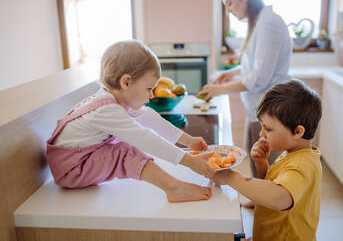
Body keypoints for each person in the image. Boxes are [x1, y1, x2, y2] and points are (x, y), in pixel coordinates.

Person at [46, 40, 216, 203]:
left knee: (131, 138)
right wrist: (188, 161)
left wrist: (188, 140)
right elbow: (145, 138)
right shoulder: (106, 110)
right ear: (126, 82)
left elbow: (148, 116)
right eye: (149, 89)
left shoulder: (113, 98)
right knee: (125, 151)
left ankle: (174, 186)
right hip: (71, 170)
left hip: (79, 160)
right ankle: (173, 188)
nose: (151, 95)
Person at [212, 79, 322, 241]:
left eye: (268, 129)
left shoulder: (301, 165)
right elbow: (274, 186)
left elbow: (279, 199)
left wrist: (230, 177)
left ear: (297, 132)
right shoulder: (294, 154)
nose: (261, 134)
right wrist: (262, 164)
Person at [198, 0, 293, 185]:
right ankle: (260, 202)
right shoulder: (259, 23)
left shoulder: (269, 24)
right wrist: (231, 73)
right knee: (257, 159)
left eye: (230, 3)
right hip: (259, 109)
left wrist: (220, 90)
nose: (228, 10)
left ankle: (267, 208)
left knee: (267, 165)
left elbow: (260, 77)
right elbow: (257, 65)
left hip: (272, 111)